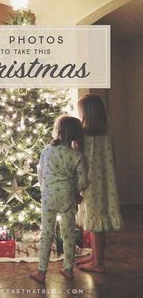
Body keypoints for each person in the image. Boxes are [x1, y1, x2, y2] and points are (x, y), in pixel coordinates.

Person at [30, 115, 88, 283]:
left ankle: (41, 272)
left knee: (47, 233)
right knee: (68, 233)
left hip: (48, 197)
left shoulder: (46, 150)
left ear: (58, 131)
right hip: (67, 197)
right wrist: (77, 192)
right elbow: (83, 181)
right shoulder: (76, 156)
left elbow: (40, 174)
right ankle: (68, 269)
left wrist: (44, 189)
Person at [76, 94, 123, 273]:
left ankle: (99, 263)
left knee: (96, 223)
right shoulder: (106, 132)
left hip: (91, 183)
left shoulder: (84, 135)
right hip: (106, 182)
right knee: (97, 221)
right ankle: (95, 255)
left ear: (87, 114)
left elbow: (81, 158)